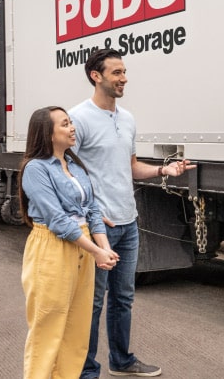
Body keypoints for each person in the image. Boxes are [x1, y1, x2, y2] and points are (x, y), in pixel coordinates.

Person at [69, 48, 195, 378]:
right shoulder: (77, 119)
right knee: (92, 303)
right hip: (98, 228)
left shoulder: (127, 118)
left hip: (128, 223)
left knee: (123, 297)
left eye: (125, 72)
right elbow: (66, 174)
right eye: (117, 73)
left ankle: (121, 361)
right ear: (96, 76)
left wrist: (164, 172)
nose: (124, 78)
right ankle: (85, 370)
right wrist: (88, 214)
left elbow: (132, 167)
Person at [19, 106, 119, 379]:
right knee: (48, 328)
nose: (72, 127)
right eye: (65, 124)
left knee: (77, 328)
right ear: (48, 133)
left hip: (84, 247)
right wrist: (97, 251)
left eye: (70, 122)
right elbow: (59, 221)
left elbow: (93, 211)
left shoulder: (75, 166)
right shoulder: (35, 169)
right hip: (51, 247)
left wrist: (104, 248)